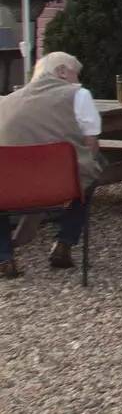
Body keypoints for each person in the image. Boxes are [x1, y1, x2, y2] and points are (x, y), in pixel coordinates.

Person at [0, 52, 105, 278]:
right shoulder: (78, 95)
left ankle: (4, 257)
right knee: (89, 170)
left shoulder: (5, 101)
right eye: (76, 74)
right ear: (61, 72)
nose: (79, 81)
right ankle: (65, 242)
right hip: (60, 186)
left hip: (8, 189)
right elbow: (91, 144)